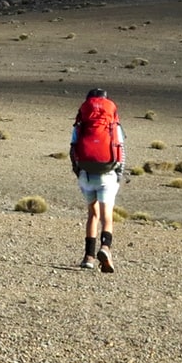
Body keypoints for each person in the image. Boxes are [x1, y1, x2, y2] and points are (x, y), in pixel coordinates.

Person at [69, 87, 125, 271]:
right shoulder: (113, 124)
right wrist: (118, 174)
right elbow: (120, 149)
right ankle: (105, 247)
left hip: (86, 174)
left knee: (92, 215)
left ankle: (89, 257)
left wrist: (79, 173)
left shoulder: (81, 123)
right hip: (108, 174)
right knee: (106, 217)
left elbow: (73, 148)